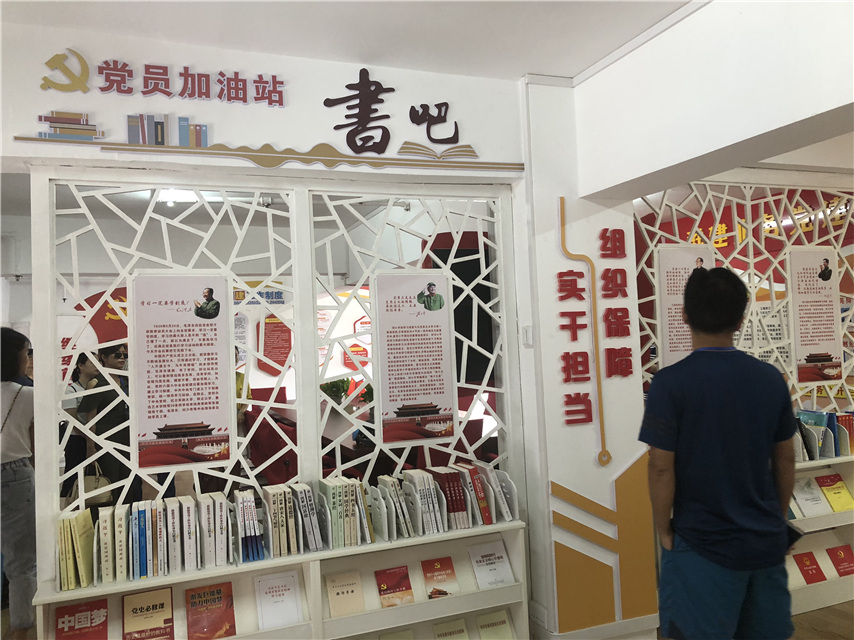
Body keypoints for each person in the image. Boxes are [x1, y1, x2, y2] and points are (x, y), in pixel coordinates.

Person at [638, 268, 796, 640]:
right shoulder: (770, 379)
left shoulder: (670, 383)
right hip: (764, 543)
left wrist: (662, 529)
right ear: (741, 319)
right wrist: (775, 517)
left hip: (701, 544)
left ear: (684, 315)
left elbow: (661, 467)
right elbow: (786, 459)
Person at [1, 327, 37, 639]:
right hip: (15, 475)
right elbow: (36, 446)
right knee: (22, 562)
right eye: (26, 353)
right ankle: (21, 630)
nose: (28, 359)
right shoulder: (26, 395)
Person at [77, 343, 140, 504]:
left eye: (124, 355)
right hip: (105, 439)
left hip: (127, 439)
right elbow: (90, 419)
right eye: (117, 355)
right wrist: (90, 448)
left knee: (128, 484)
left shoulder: (127, 381)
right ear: (103, 357)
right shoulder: (96, 383)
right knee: (110, 483)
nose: (122, 358)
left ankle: (126, 516)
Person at [60, 352, 98, 497]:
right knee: (73, 478)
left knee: (93, 478)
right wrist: (90, 437)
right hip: (77, 441)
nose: (97, 366)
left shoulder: (98, 388)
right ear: (80, 366)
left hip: (93, 439)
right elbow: (73, 420)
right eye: (92, 362)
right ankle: (69, 503)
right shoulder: (71, 390)